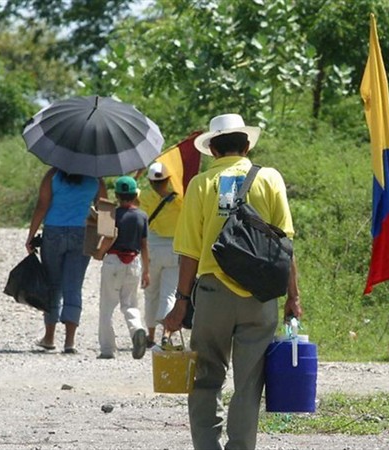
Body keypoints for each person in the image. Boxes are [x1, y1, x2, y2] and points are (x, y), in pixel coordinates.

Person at [163, 113, 303, 450]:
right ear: (246, 145)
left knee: (205, 376)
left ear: (212, 149)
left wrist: (181, 301)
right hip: (260, 295)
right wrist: (293, 298)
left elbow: (189, 252)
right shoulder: (269, 179)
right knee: (249, 381)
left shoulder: (200, 185)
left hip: (212, 295)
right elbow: (285, 244)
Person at [26, 168, 107, 354]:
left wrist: (31, 235)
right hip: (83, 233)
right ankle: (70, 342)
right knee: (74, 285)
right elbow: (104, 209)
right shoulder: (96, 178)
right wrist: (103, 242)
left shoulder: (52, 175)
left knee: (53, 285)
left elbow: (42, 205)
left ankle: (49, 337)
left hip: (53, 232)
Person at [94, 176, 150, 360]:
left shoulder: (110, 214)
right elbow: (144, 246)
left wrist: (99, 253)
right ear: (135, 195)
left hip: (113, 261)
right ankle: (137, 330)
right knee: (130, 304)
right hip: (133, 262)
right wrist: (146, 271)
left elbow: (108, 238)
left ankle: (108, 349)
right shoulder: (142, 216)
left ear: (117, 195)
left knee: (107, 306)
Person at [138, 162, 182, 347]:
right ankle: (167, 333)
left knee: (151, 294)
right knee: (169, 294)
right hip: (174, 247)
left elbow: (126, 192)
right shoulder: (180, 199)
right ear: (168, 179)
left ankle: (150, 335)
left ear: (149, 180)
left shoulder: (144, 197)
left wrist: (137, 174)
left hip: (152, 247)